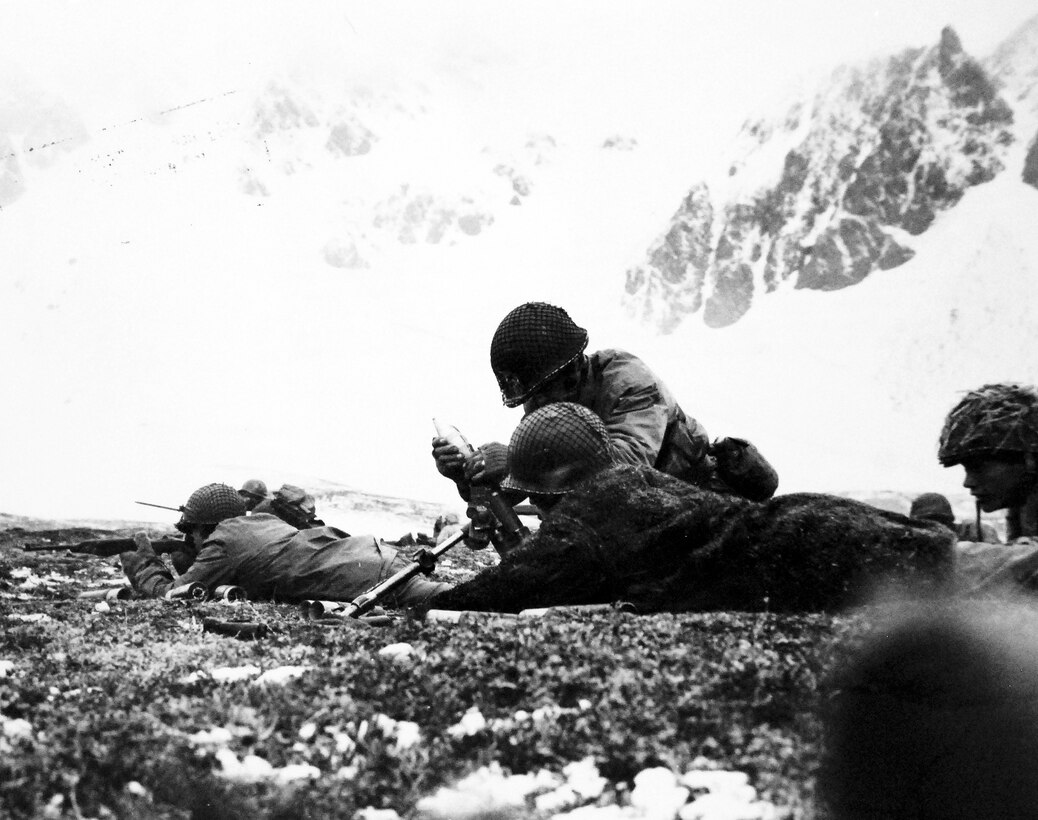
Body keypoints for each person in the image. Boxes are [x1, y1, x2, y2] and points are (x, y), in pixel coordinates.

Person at [428, 403, 951, 614]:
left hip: (811, 559)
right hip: (817, 524)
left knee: (973, 580)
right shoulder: (632, 478)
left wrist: (416, 607)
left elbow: (499, 590)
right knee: (972, 564)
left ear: (547, 487)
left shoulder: (584, 522)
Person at [432, 302, 777, 528]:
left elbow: (626, 472)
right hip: (637, 519)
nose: (534, 406)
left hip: (699, 503)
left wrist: (515, 462)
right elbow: (521, 489)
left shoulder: (628, 380)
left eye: (540, 391)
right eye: (530, 396)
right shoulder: (546, 405)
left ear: (569, 374)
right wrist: (468, 475)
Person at [119, 483, 450, 605]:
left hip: (373, 580)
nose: (190, 539)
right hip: (378, 557)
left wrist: (144, 561)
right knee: (452, 594)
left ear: (207, 527)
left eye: (191, 531)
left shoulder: (222, 544)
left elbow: (172, 594)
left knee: (457, 600)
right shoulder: (265, 521)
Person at [937, 382, 1038, 592]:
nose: (968, 482)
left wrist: (938, 557)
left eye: (978, 467)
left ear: (1028, 459)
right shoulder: (1024, 502)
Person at [908, 492, 1000, 543]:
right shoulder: (913, 540)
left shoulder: (974, 531)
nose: (935, 527)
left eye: (940, 521)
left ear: (949, 521)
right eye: (925, 523)